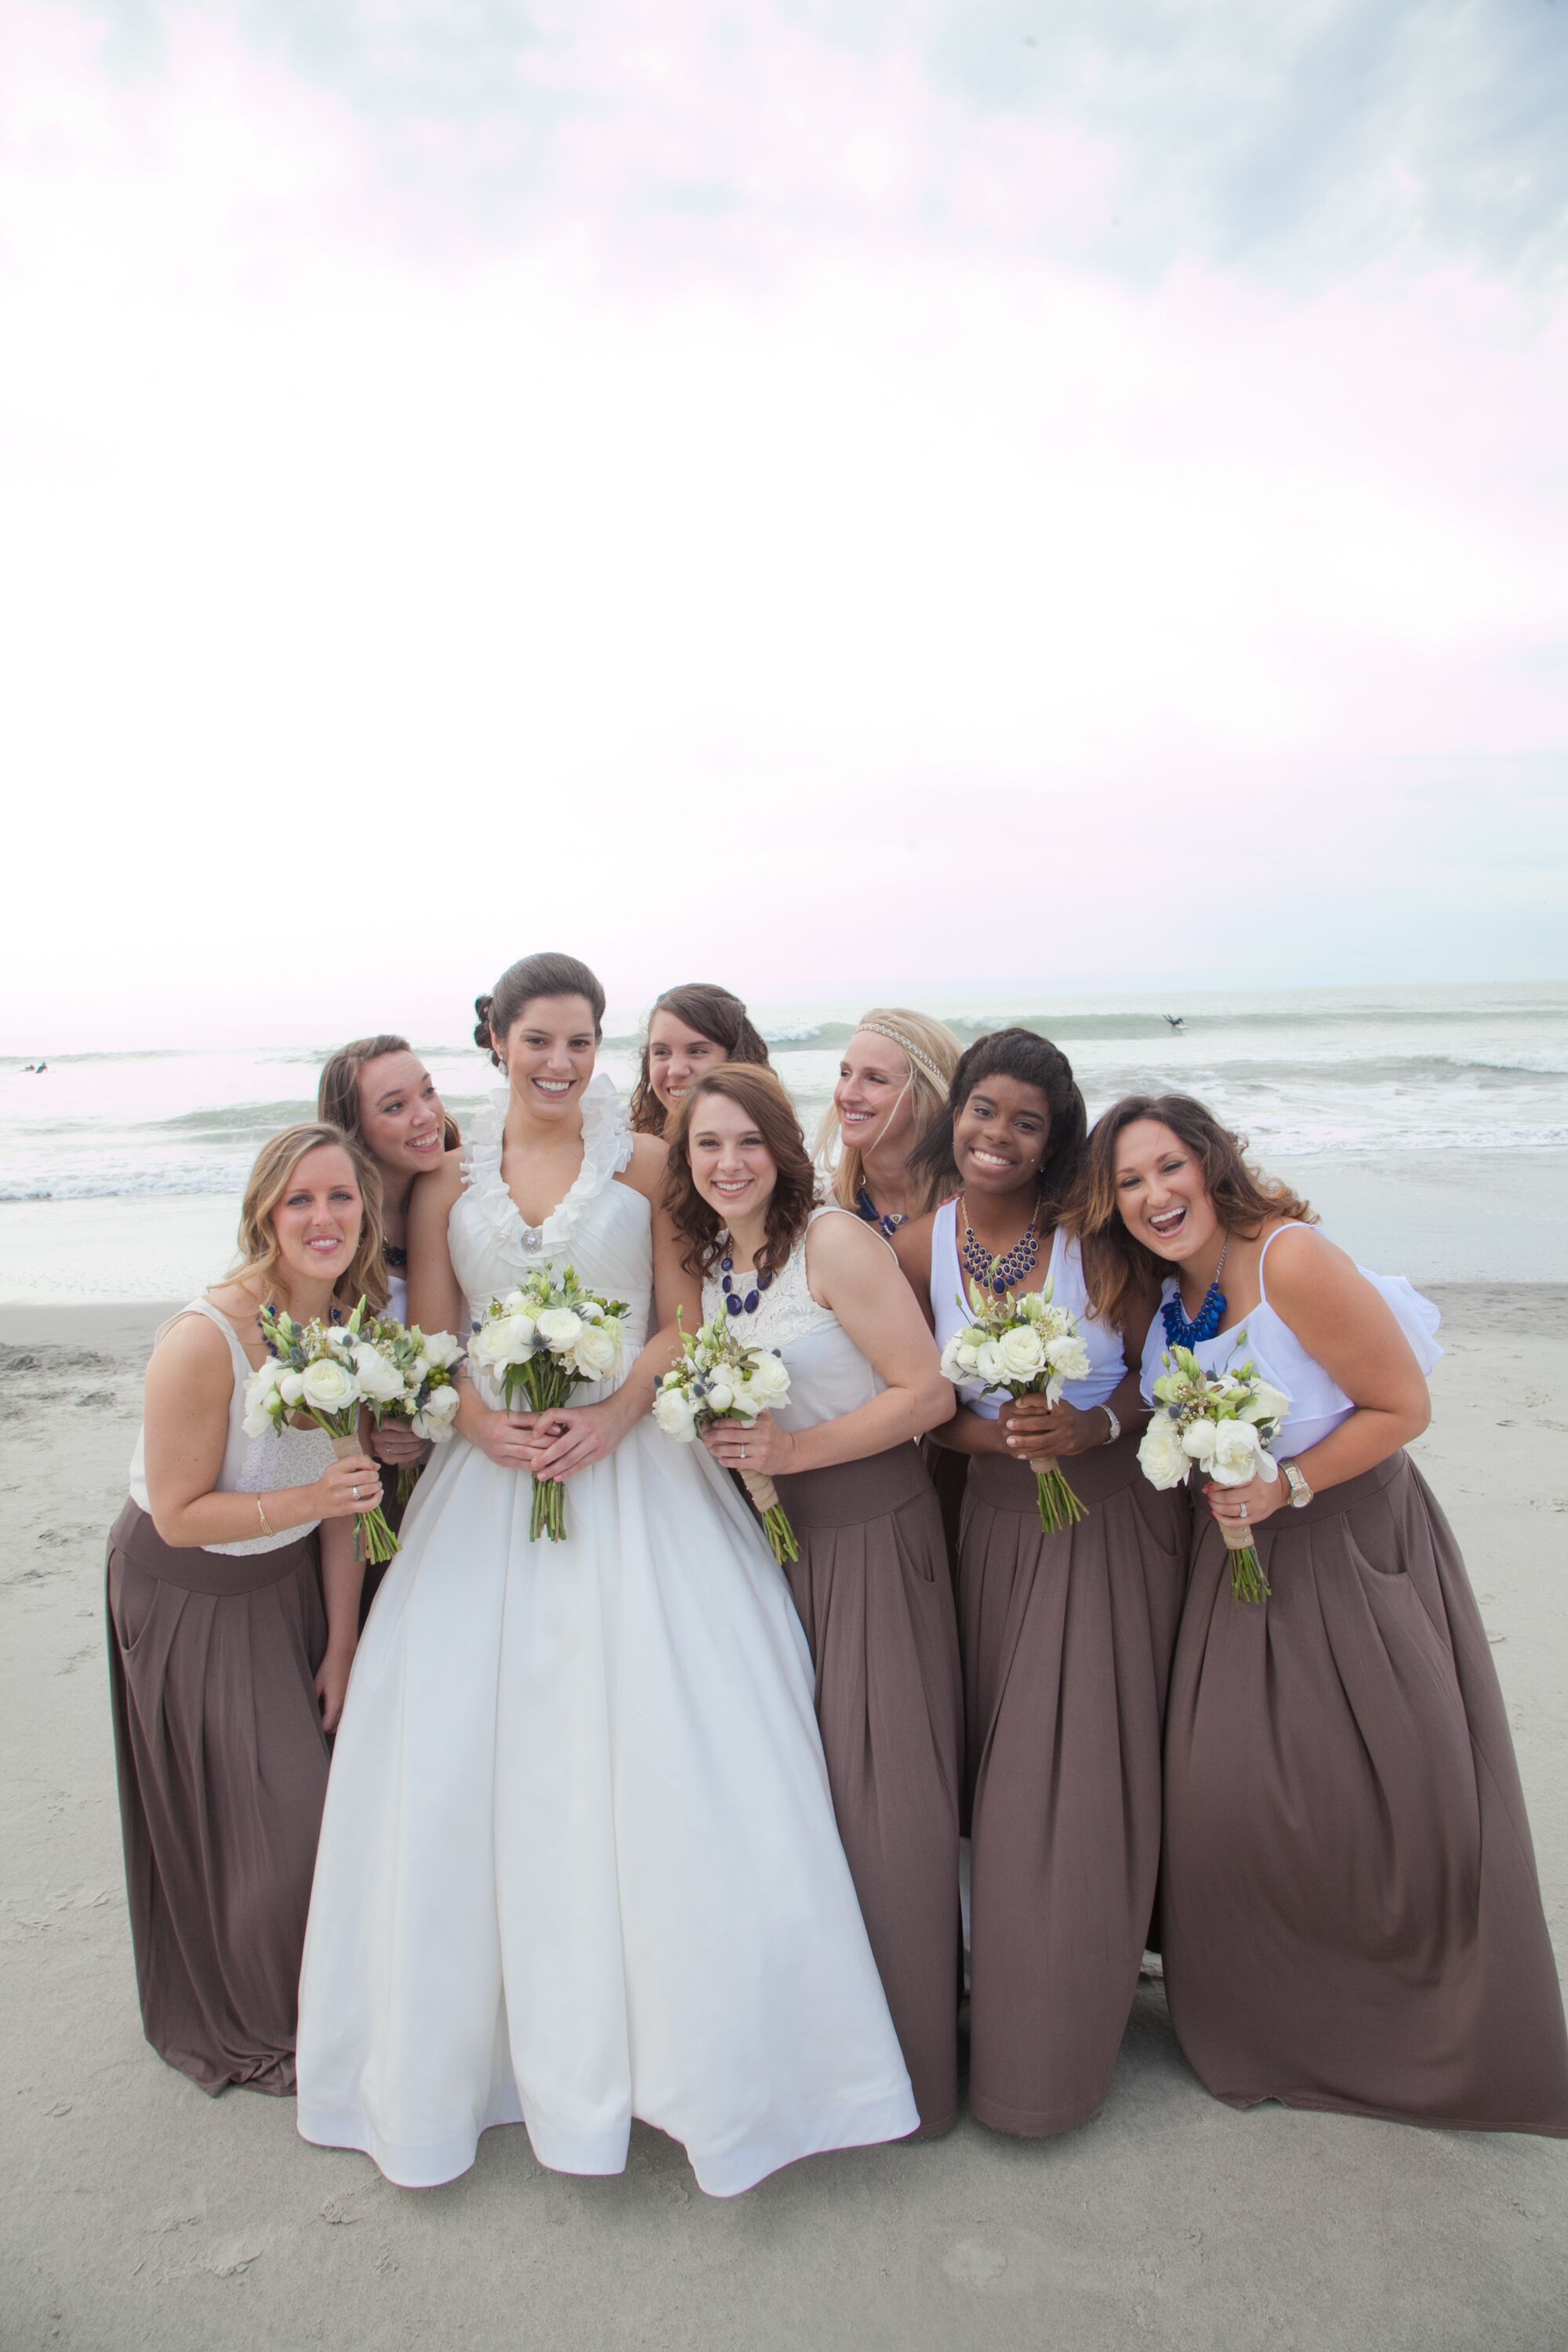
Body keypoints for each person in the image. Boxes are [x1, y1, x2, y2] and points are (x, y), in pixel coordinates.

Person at [296, 953, 918, 2194]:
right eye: (538, 1040)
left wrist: (617, 1414)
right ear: (497, 1041)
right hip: (495, 1483)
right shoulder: (445, 1183)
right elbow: (435, 1345)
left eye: (583, 1041)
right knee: (488, 1763)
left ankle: (703, 2063)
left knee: (678, 1749)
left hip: (634, 1471)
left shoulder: (647, 1165)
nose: (562, 1063)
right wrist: (483, 1428)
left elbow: (683, 1320)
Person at [1080, 1091, 1568, 2136]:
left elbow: (1404, 1408)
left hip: (1347, 1545)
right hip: (1240, 1566)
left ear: (1211, 1163)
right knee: (1233, 1796)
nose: (1156, 1195)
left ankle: (1418, 2027)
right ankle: (1276, 2020)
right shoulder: (1168, 1295)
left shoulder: (1290, 1259)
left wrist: (1288, 1485)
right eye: (1129, 1182)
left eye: (1170, 1167)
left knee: (1395, 1793)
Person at [895, 1029, 1187, 2138]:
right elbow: (922, 1404)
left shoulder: (1093, 1241)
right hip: (992, 1536)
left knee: (1070, 1784)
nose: (998, 1137)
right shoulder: (920, 1242)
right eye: (983, 1111)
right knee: (1000, 1778)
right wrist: (1005, 1439)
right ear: (954, 1112)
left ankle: (1050, 2046)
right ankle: (994, 1988)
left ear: (1054, 1137)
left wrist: (1087, 1424)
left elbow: (1168, 1386)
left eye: (1026, 1121)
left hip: (1106, 1524)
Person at [665, 1063, 963, 2136]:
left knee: (890, 1805)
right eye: (706, 1146)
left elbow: (928, 1390)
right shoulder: (710, 1259)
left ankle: (919, 2073)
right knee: (811, 1802)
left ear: (782, 1147)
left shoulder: (836, 1241)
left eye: (747, 1141)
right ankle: (832, 2054)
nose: (728, 1163)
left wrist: (795, 1448)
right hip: (774, 1548)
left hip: (876, 1536)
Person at [105, 1124, 385, 2096]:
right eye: (300, 1200)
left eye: (340, 1198)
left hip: (285, 1591)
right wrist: (313, 1502)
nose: (323, 1219)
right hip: (189, 1593)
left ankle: (328, 1995)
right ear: (265, 1211)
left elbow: (349, 1508)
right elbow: (180, 1516)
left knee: (325, 1804)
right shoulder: (205, 1339)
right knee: (274, 1823)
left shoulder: (349, 1327)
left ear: (365, 1210)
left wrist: (343, 1646)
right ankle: (260, 2015)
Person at [318, 1036, 461, 1610]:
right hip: (372, 1488)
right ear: (354, 1131)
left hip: (460, 1459)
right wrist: (379, 1427)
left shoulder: (472, 1192)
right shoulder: (335, 1234)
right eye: (395, 1105)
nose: (426, 1114)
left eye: (428, 1091)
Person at [818, 1008, 962, 1236]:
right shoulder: (819, 1207)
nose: (846, 1095)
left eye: (875, 1079)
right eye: (845, 1073)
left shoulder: (970, 1208)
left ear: (927, 1098)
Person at [626, 981, 771, 1136]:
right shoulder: (627, 1147)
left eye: (697, 1051)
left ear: (735, 1057)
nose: (676, 1070)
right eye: (662, 1052)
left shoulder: (764, 1150)